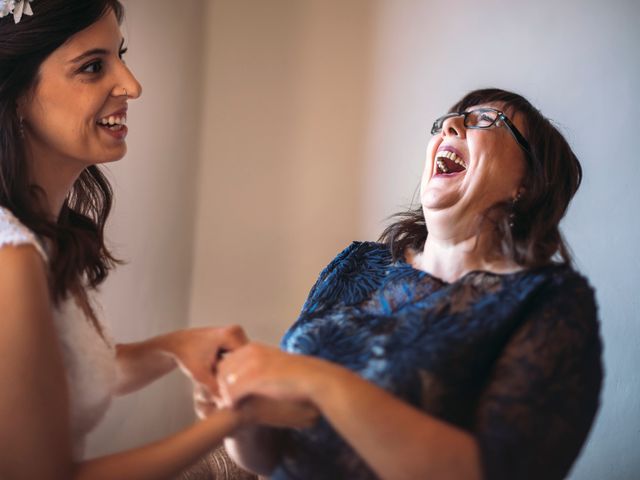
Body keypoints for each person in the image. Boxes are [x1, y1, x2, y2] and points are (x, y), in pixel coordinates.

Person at [215, 88, 604, 480]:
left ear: (527, 181)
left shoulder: (548, 301)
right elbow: (268, 458)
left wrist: (321, 382)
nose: (449, 126)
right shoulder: (357, 264)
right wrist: (237, 412)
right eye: (447, 122)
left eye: (484, 120)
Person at [0, 1, 316, 479]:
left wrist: (173, 347)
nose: (131, 85)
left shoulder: (44, 233)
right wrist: (240, 416)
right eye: (92, 67)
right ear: (16, 94)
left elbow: (63, 371)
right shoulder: (12, 260)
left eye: (119, 55)